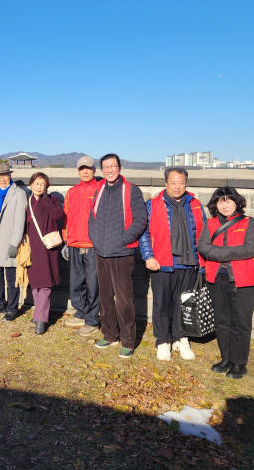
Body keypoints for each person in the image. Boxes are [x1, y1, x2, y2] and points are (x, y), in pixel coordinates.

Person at [139, 167, 206, 361]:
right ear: (166, 183)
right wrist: (148, 256)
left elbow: (202, 233)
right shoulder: (152, 204)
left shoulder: (195, 204)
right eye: (173, 182)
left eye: (181, 182)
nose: (177, 186)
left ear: (186, 183)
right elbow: (144, 233)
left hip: (189, 262)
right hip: (162, 262)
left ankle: (180, 338)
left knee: (184, 304)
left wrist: (202, 261)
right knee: (160, 304)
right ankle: (162, 340)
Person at [198, 186, 254, 380]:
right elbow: (202, 246)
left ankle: (239, 363)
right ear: (214, 204)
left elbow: (251, 248)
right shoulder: (210, 223)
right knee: (222, 320)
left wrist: (218, 253)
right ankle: (226, 358)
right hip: (217, 278)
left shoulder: (249, 223)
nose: (224, 205)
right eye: (220, 201)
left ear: (236, 202)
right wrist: (223, 253)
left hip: (242, 280)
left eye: (228, 200)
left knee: (241, 322)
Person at [88, 154, 147, 359]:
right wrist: (94, 239)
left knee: (124, 299)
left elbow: (140, 220)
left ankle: (128, 341)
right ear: (101, 169)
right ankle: (110, 334)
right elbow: (92, 217)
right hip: (101, 252)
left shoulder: (131, 190)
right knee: (105, 297)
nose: (110, 170)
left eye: (113, 166)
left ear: (120, 168)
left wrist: (123, 239)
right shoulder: (99, 188)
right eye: (106, 167)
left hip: (121, 252)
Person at [61, 155, 100, 337]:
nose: (85, 171)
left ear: (94, 169)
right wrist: (66, 241)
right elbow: (65, 217)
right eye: (81, 168)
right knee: (76, 282)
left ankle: (93, 319)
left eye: (88, 168)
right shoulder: (72, 191)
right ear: (78, 171)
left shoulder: (100, 189)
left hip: (93, 245)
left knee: (93, 284)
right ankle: (81, 312)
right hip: (74, 243)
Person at [0, 164, 27, 321]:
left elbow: (20, 220)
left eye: (5, 175)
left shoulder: (19, 193)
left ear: (10, 176)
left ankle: (12, 307)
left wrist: (14, 243)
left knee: (11, 277)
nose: (2, 179)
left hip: (9, 240)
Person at [26, 172, 63, 335]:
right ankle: (39, 312)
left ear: (47, 186)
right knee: (34, 282)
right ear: (31, 185)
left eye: (42, 184)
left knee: (46, 283)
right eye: (36, 183)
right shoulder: (27, 201)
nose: (39, 186)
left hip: (48, 246)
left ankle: (41, 319)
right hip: (31, 245)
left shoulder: (52, 200)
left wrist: (46, 199)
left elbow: (57, 216)